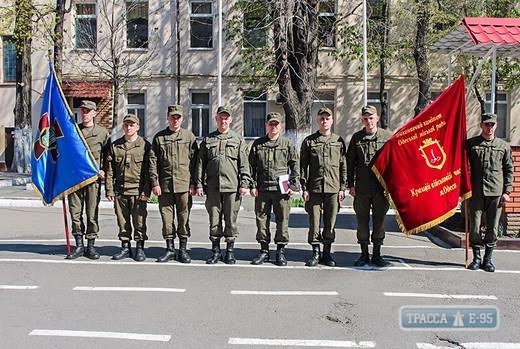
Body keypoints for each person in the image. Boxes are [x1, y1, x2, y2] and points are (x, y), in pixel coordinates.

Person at [195, 106, 252, 264]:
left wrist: (244, 183)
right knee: (214, 220)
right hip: (213, 187)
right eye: (221, 117)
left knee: (230, 220)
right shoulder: (208, 140)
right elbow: (200, 164)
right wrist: (199, 184)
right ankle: (215, 251)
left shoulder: (238, 140)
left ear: (231, 120)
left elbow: (244, 164)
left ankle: (230, 251)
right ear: (216, 119)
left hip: (232, 187)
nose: (223, 120)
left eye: (226, 118)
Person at [249, 112, 300, 266]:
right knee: (262, 220)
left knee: (282, 220)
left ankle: (280, 252)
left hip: (281, 190)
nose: (273, 126)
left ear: (281, 126)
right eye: (271, 124)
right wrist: (252, 185)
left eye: (276, 124)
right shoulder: (258, 144)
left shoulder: (287, 144)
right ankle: (264, 251)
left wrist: (294, 184)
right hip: (263, 188)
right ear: (266, 125)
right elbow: (251, 167)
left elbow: (295, 165)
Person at [149, 105, 198, 263]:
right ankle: (170, 248)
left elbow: (195, 162)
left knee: (184, 218)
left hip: (184, 185)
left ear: (182, 119)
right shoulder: (159, 138)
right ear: (167, 118)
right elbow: (153, 162)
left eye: (178, 117)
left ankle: (183, 249)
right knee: (166, 218)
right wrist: (155, 183)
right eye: (172, 117)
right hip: (165, 186)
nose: (175, 120)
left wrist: (194, 183)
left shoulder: (189, 137)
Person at [346, 105, 393, 267]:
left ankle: (377, 254)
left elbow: (394, 163)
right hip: (362, 189)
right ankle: (364, 254)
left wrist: (393, 186)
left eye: (371, 118)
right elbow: (350, 163)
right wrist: (350, 185)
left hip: (381, 189)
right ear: (362, 120)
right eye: (365, 118)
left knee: (379, 221)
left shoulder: (387, 137)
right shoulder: (356, 138)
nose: (368, 121)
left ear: (377, 118)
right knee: (362, 222)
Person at [300, 107, 347, 267]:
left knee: (330, 222)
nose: (324, 121)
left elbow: (343, 166)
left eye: (327, 118)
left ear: (332, 121)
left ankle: (327, 253)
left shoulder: (338, 141)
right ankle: (315, 252)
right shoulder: (309, 141)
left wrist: (342, 187)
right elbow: (302, 166)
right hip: (314, 188)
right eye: (322, 118)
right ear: (317, 120)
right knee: (314, 222)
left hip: (333, 189)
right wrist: (304, 187)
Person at [466, 113, 513, 272]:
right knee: (475, 227)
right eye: (486, 124)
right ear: (481, 125)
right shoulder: (471, 144)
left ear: (496, 126)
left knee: (492, 228)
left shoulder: (503, 146)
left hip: (496, 192)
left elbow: (509, 170)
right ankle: (476, 258)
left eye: (492, 124)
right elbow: (461, 166)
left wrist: (507, 191)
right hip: (476, 192)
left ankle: (488, 259)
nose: (489, 127)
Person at [105, 114, 152, 261]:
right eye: (126, 125)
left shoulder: (145, 145)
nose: (128, 127)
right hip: (120, 191)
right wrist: (109, 189)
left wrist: (146, 190)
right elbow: (110, 170)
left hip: (138, 191)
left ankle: (139, 248)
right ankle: (125, 247)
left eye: (132, 125)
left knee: (139, 221)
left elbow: (149, 170)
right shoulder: (116, 146)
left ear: (138, 127)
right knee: (122, 221)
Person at [68, 100, 110, 259]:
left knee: (92, 213)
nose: (84, 114)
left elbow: (107, 156)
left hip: (93, 180)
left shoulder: (102, 133)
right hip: (75, 180)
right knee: (75, 213)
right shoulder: (73, 131)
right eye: (83, 111)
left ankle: (91, 246)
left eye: (88, 111)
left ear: (94, 113)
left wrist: (104, 171)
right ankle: (79, 245)